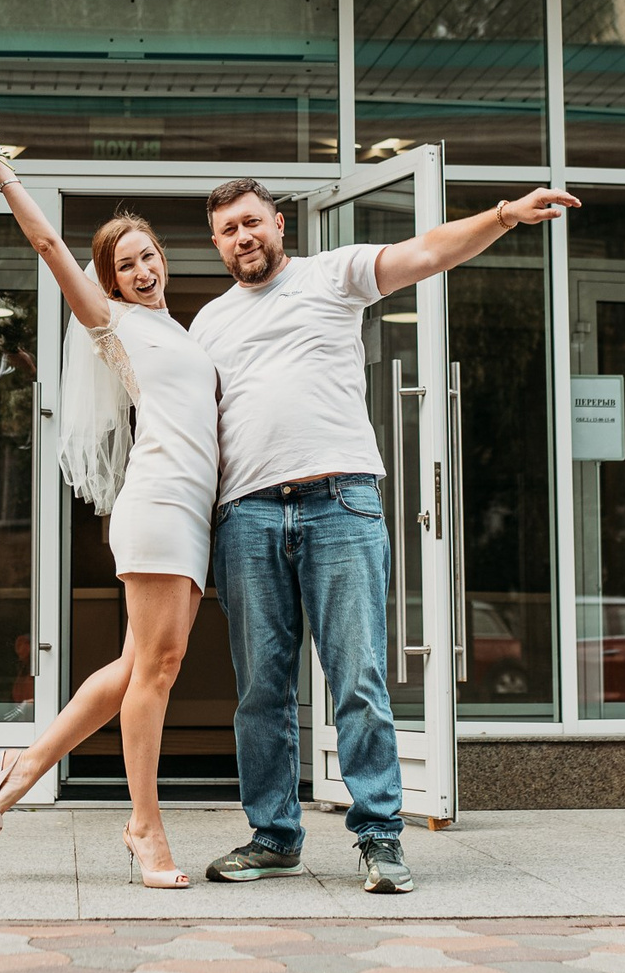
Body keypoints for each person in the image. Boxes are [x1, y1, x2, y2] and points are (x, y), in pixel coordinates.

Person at [190, 176, 577, 894]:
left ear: (279, 222)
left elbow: (424, 253)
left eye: (252, 222)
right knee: (260, 690)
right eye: (227, 231)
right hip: (245, 514)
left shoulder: (331, 275)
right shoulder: (207, 322)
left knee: (358, 677)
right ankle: (274, 837)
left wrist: (502, 215)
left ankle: (378, 837)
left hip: (340, 501)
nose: (242, 237)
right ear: (216, 244)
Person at [0, 156, 216, 889]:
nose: (143, 270)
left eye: (149, 255)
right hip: (160, 503)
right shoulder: (114, 322)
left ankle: (22, 768)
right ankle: (145, 825)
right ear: (107, 280)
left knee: (137, 665)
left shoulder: (180, 328)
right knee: (159, 670)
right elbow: (48, 247)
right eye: (125, 263)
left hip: (192, 510)